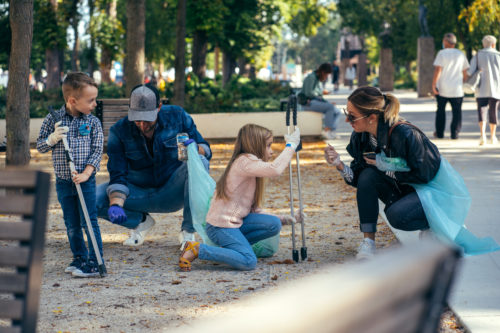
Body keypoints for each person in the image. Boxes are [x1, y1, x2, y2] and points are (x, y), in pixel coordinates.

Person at [324, 86, 441, 260]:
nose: (347, 120)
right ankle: (368, 243)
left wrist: (387, 168)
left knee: (397, 215)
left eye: (352, 115)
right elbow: (359, 180)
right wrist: (339, 164)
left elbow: (426, 175)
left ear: (371, 117)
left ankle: (432, 226)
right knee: (367, 176)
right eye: (346, 113)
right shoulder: (361, 137)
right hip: (402, 191)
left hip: (428, 194)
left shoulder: (404, 133)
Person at [96, 84, 212, 248]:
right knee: (92, 200)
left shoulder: (178, 116)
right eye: (137, 118)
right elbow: (118, 174)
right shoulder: (119, 131)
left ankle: (188, 231)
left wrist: (196, 149)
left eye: (147, 118)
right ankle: (140, 222)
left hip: (172, 190)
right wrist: (115, 205)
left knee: (201, 162)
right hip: (137, 193)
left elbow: (206, 150)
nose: (142, 125)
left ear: (159, 107)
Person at [178, 124, 301, 271]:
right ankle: (198, 249)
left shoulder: (251, 165)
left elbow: (253, 210)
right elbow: (275, 169)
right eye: (268, 146)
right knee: (248, 261)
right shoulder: (244, 161)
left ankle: (233, 249)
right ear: (255, 145)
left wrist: (285, 219)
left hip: (235, 223)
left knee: (274, 224)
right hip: (220, 226)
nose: (272, 151)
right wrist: (291, 145)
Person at [36, 72, 105, 278]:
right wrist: (53, 138)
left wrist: (86, 173)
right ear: (72, 101)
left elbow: (97, 149)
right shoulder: (53, 119)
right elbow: (40, 146)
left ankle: (95, 261)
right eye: (90, 100)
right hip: (64, 181)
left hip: (85, 180)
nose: (94, 104)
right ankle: (80, 258)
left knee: (88, 221)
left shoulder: (92, 122)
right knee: (72, 222)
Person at [431, 33, 469, 140]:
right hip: (457, 89)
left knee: (441, 111)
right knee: (457, 112)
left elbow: (438, 70)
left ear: (446, 42)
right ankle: (455, 133)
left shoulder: (442, 53)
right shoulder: (461, 54)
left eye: (443, 41)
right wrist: (463, 81)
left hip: (442, 88)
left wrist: (434, 85)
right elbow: (465, 72)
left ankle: (439, 133)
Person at [467, 35, 500, 145]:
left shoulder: (478, 55)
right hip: (496, 88)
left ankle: (482, 136)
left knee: (482, 111)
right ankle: (493, 136)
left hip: (481, 88)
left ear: (483, 44)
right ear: (493, 44)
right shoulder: (498, 55)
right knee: (493, 111)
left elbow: (469, 72)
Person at [300, 63, 342, 140]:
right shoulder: (311, 78)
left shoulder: (317, 79)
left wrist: (326, 102)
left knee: (338, 112)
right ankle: (326, 131)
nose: (326, 78)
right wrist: (322, 93)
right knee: (330, 108)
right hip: (308, 103)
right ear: (322, 72)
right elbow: (308, 93)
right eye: (326, 75)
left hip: (314, 102)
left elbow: (318, 96)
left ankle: (331, 131)